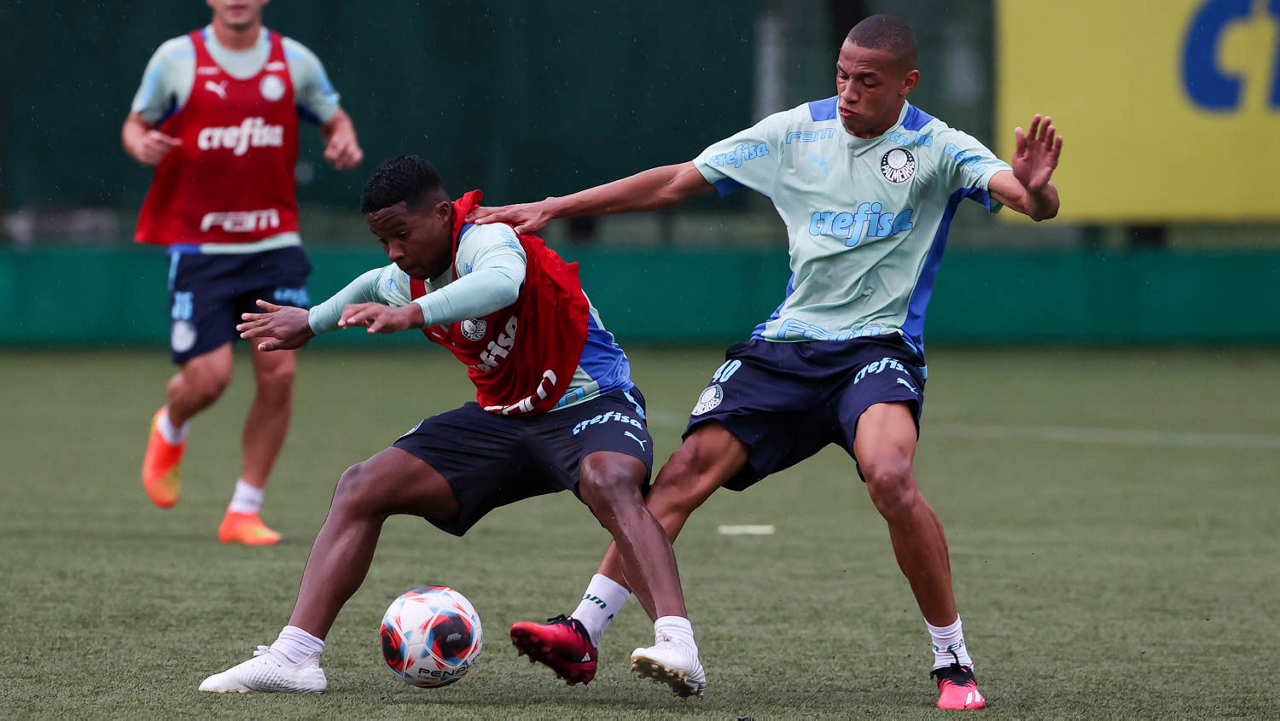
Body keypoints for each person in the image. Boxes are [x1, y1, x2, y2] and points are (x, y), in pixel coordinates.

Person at [469, 14, 1063, 711]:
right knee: (684, 474)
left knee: (890, 475)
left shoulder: (938, 147)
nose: (849, 92)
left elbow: (1029, 201)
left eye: (868, 82)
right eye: (841, 76)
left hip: (877, 349)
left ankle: (952, 657)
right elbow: (677, 181)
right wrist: (553, 206)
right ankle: (582, 630)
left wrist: (1037, 189)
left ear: (908, 82)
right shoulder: (794, 133)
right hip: (785, 349)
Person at [197, 155, 706, 698]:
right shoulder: (406, 277)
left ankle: (677, 644)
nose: (395, 251)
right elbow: (371, 285)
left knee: (610, 480)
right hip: (504, 419)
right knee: (362, 485)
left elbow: (502, 284)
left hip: (590, 402)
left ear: (442, 214)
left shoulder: (487, 237)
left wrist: (411, 315)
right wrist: (312, 321)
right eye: (383, 240)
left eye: (401, 234)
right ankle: (294, 657)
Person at [124, 0, 363, 545]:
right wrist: (142, 144)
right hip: (201, 249)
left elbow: (335, 117)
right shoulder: (176, 59)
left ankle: (244, 510)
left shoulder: (295, 61)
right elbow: (136, 125)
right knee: (209, 380)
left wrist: (341, 137)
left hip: (273, 245)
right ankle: (171, 423)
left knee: (279, 375)